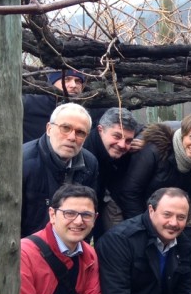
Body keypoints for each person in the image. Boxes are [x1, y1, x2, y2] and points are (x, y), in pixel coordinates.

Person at [120, 112, 191, 218]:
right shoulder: (156, 150)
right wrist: (144, 226)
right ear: (183, 134)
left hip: (170, 220)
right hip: (130, 211)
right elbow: (130, 192)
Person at [22, 103, 99, 237]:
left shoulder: (90, 163)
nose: (72, 137)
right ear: (49, 129)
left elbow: (89, 211)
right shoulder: (22, 161)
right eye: (65, 128)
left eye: (80, 132)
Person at [84, 107, 140, 236]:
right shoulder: (84, 153)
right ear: (100, 130)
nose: (122, 144)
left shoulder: (124, 151)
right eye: (117, 136)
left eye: (128, 140)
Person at [22, 68, 88, 144]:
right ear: (52, 83)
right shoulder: (29, 103)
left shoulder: (88, 109)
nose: (73, 85)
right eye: (66, 79)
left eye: (78, 81)